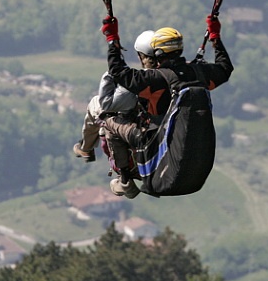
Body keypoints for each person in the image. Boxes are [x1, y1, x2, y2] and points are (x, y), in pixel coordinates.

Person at [100, 14, 234, 198]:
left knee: (108, 122)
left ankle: (125, 181)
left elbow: (118, 71)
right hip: (190, 158)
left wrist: (112, 39)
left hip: (152, 142)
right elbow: (225, 68)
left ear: (158, 53)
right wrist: (215, 37)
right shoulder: (201, 74)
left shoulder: (156, 79)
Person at [73, 31, 156, 188]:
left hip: (138, 133)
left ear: (142, 56)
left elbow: (106, 103)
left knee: (96, 105)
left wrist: (112, 73)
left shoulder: (138, 82)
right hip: (156, 131)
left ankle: (88, 149)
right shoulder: (175, 76)